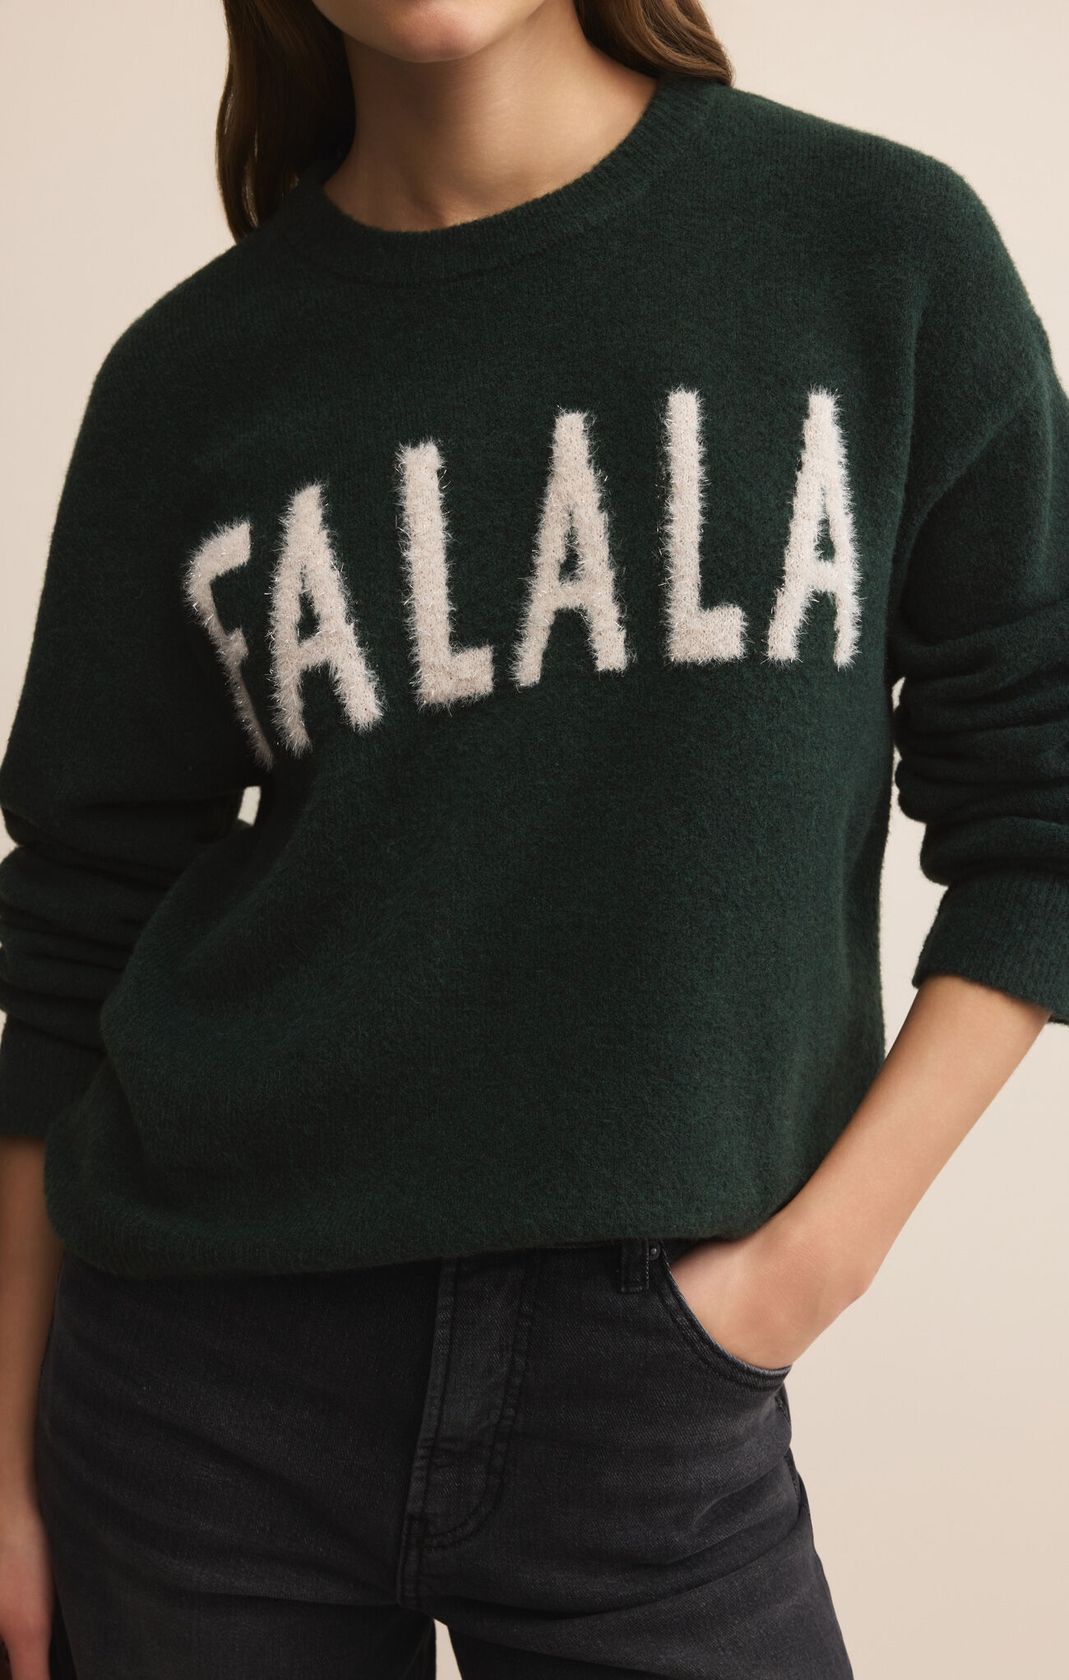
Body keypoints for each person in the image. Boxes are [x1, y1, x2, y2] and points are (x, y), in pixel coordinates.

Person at [1, 1, 1066, 1675]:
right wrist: (2, 1463)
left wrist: (802, 1272)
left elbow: (1043, 804)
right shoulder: (191, 376)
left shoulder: (875, 249)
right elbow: (76, 924)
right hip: (192, 1395)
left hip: (651, 1393)